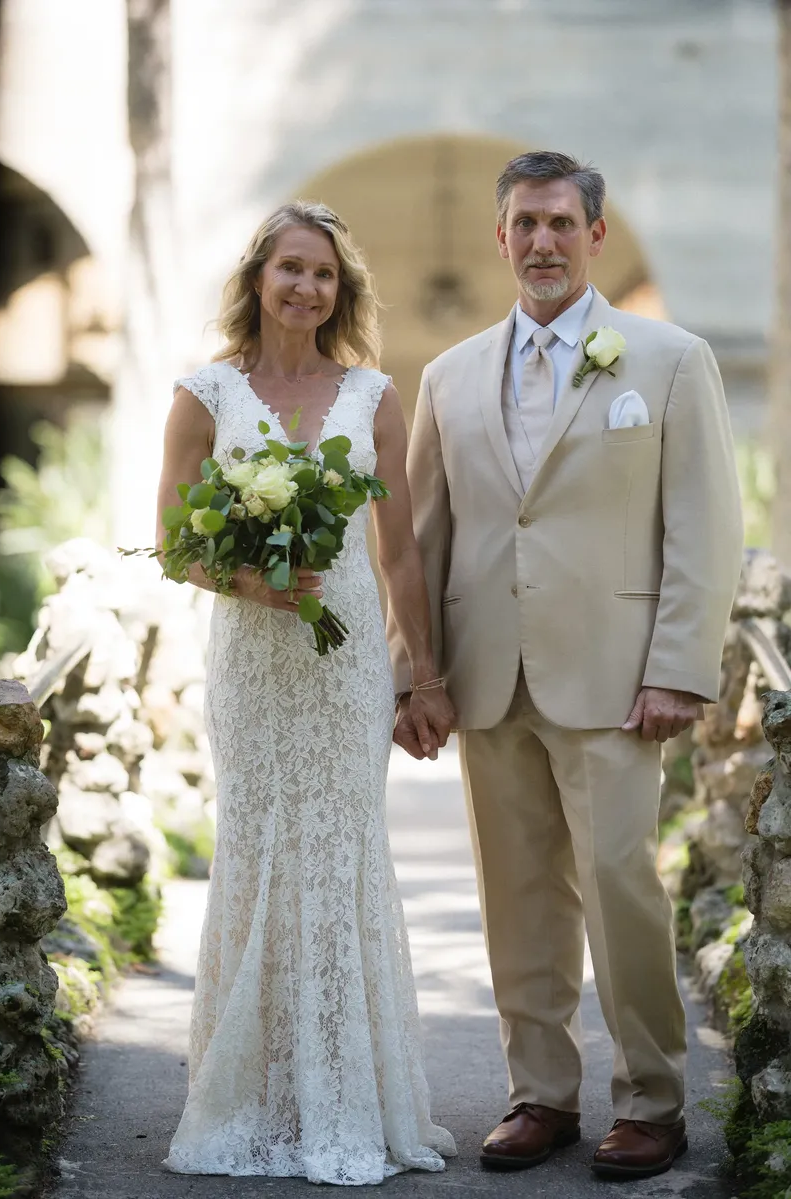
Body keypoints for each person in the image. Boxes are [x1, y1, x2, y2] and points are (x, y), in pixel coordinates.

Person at [388, 151, 743, 1181]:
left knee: (620, 887)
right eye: (522, 224)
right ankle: (538, 1091)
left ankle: (650, 1099)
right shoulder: (447, 375)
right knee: (516, 898)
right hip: (488, 677)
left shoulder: (668, 359)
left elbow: (703, 524)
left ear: (594, 234)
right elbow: (420, 537)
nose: (540, 241)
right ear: (497, 239)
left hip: (620, 680)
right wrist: (419, 673)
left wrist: (679, 663)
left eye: (557, 222)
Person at [158, 200, 455, 1185]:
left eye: (322, 274)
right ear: (258, 278)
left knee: (337, 860)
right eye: (289, 268)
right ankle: (256, 1094)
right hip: (250, 659)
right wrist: (247, 578)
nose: (304, 287)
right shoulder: (204, 392)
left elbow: (399, 550)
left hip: (342, 669)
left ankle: (343, 1093)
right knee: (256, 854)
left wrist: (423, 674)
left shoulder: (371, 394)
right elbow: (175, 545)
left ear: (341, 290)